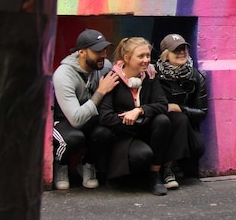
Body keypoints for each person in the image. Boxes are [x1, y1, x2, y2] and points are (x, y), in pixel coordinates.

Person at [99, 37, 175, 195]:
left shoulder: (150, 76)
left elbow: (162, 104)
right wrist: (135, 121)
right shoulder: (112, 78)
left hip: (143, 130)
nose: (146, 60)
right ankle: (122, 175)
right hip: (123, 135)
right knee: (143, 154)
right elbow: (105, 117)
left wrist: (139, 111)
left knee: (163, 121)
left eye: (148, 56)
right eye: (141, 56)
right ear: (126, 58)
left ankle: (155, 175)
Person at [52, 28, 119, 190]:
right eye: (97, 51)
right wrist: (100, 91)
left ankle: (87, 163)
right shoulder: (64, 75)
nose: (103, 55)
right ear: (81, 52)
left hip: (89, 118)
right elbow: (75, 119)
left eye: (104, 50)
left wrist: (147, 70)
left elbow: (125, 71)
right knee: (73, 138)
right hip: (63, 121)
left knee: (106, 132)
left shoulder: (104, 67)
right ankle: (60, 165)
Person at [156, 34, 209, 183]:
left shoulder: (196, 77)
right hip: (160, 121)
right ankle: (167, 168)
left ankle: (174, 164)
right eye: (176, 50)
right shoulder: (153, 74)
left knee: (197, 145)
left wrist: (180, 108)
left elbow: (202, 112)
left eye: (184, 48)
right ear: (166, 56)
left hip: (184, 123)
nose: (182, 52)